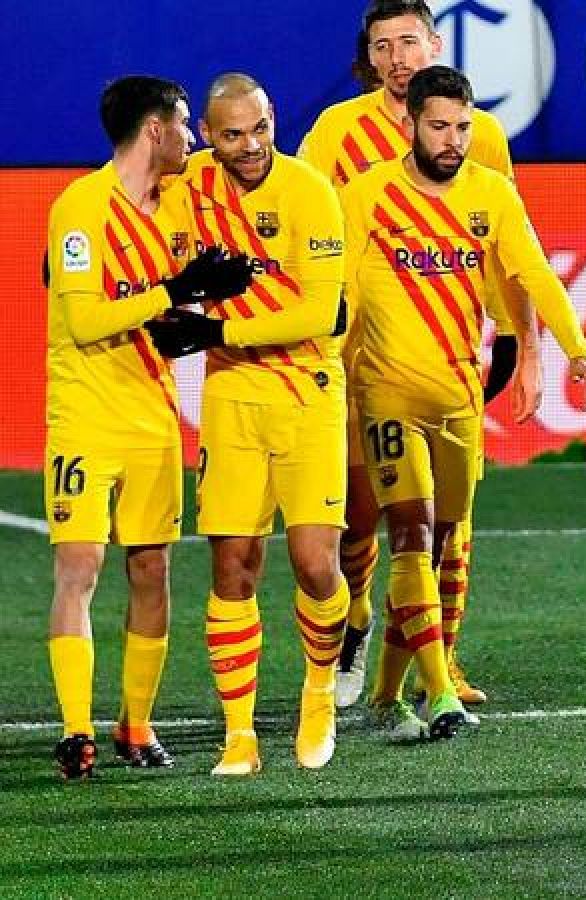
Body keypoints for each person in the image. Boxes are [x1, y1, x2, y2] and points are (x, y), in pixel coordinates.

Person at [299, 0, 544, 711]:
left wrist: (524, 350)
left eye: (410, 41)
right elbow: (312, 228)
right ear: (368, 57)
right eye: (384, 46)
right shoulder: (336, 132)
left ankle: (446, 663)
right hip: (359, 360)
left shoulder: (482, 135)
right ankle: (356, 622)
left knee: (446, 522)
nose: (398, 57)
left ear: (436, 43)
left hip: (450, 354)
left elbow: (511, 250)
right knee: (358, 517)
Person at [341, 65, 586, 740]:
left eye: (462, 127)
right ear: (409, 124)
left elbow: (532, 271)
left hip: (458, 398)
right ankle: (440, 694)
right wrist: (326, 373)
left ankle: (386, 694)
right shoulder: (366, 196)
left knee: (446, 537)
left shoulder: (492, 195)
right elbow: (340, 299)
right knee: (413, 533)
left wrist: (575, 347)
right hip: (386, 394)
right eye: (439, 126)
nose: (453, 140)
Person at [43, 75, 252, 779]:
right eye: (186, 124)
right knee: (80, 564)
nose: (193, 138)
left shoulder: (182, 206)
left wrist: (194, 313)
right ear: (155, 129)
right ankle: (77, 730)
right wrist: (174, 289)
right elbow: (85, 318)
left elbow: (159, 318)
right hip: (85, 416)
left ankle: (136, 725)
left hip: (156, 415)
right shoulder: (80, 208)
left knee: (152, 568)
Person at [144, 74, 350, 774]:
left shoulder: (309, 192)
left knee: (315, 563)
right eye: (233, 134)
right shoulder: (190, 185)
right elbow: (127, 191)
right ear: (207, 133)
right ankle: (240, 736)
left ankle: (319, 689)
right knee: (233, 565)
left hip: (310, 395)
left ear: (273, 118)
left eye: (260, 127)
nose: (252, 145)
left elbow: (318, 314)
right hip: (232, 395)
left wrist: (215, 326)